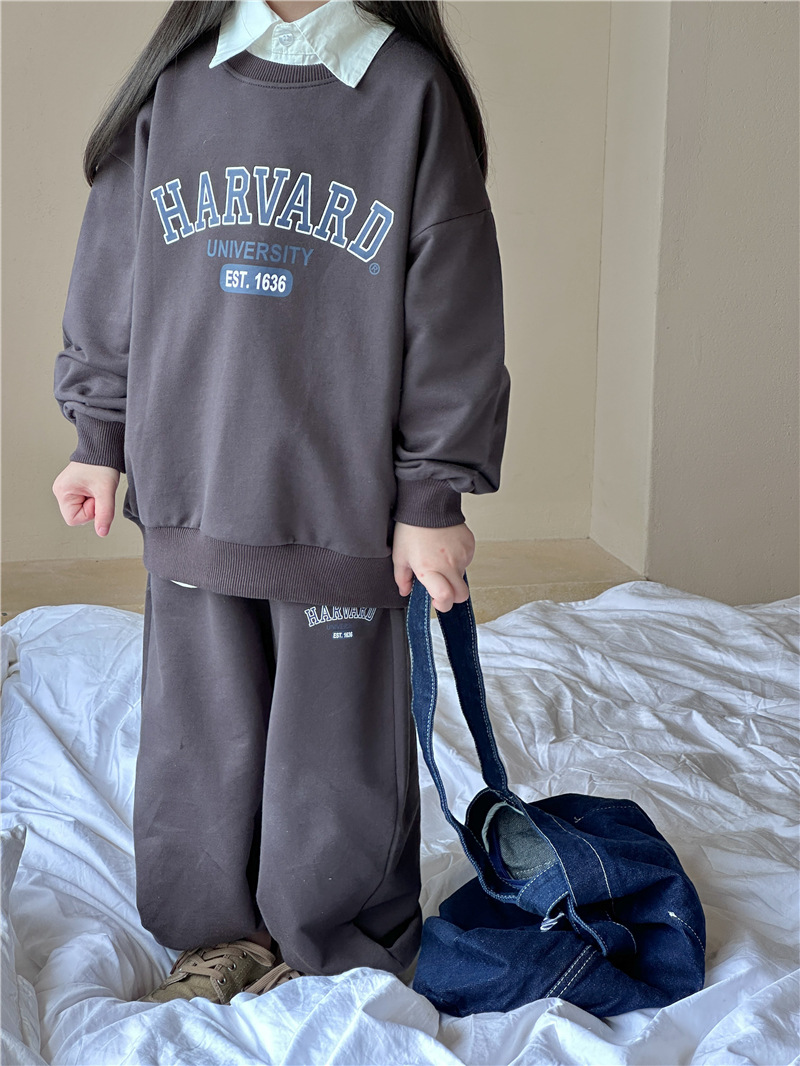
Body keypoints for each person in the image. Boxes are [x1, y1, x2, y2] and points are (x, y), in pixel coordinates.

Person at [51, 0, 510, 1005]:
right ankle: (215, 935)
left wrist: (431, 495)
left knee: (333, 749)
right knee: (198, 738)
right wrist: (99, 438)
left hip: (345, 510)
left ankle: (328, 935)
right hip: (194, 493)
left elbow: (455, 312)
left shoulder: (407, 94)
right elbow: (111, 274)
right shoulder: (173, 87)